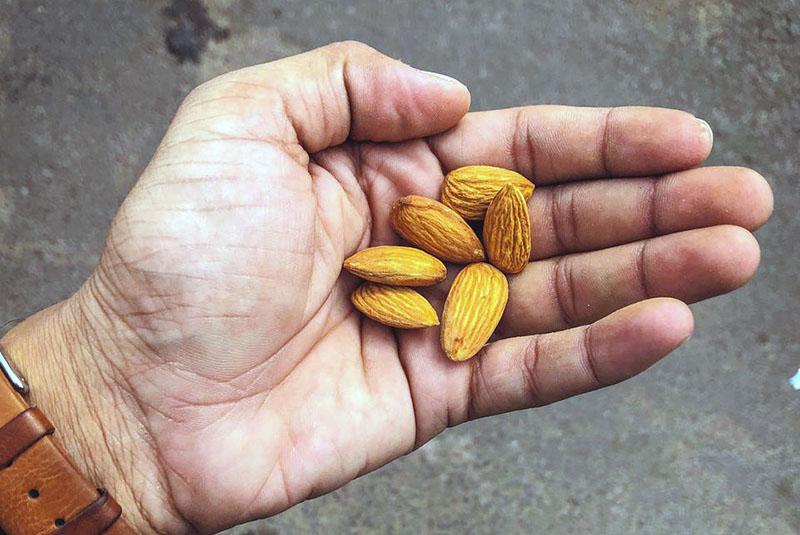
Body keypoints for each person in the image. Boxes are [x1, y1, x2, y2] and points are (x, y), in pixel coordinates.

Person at [0, 42, 773, 534]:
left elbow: (463, 256)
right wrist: (104, 395)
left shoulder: (467, 250)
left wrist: (100, 408)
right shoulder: (437, 252)